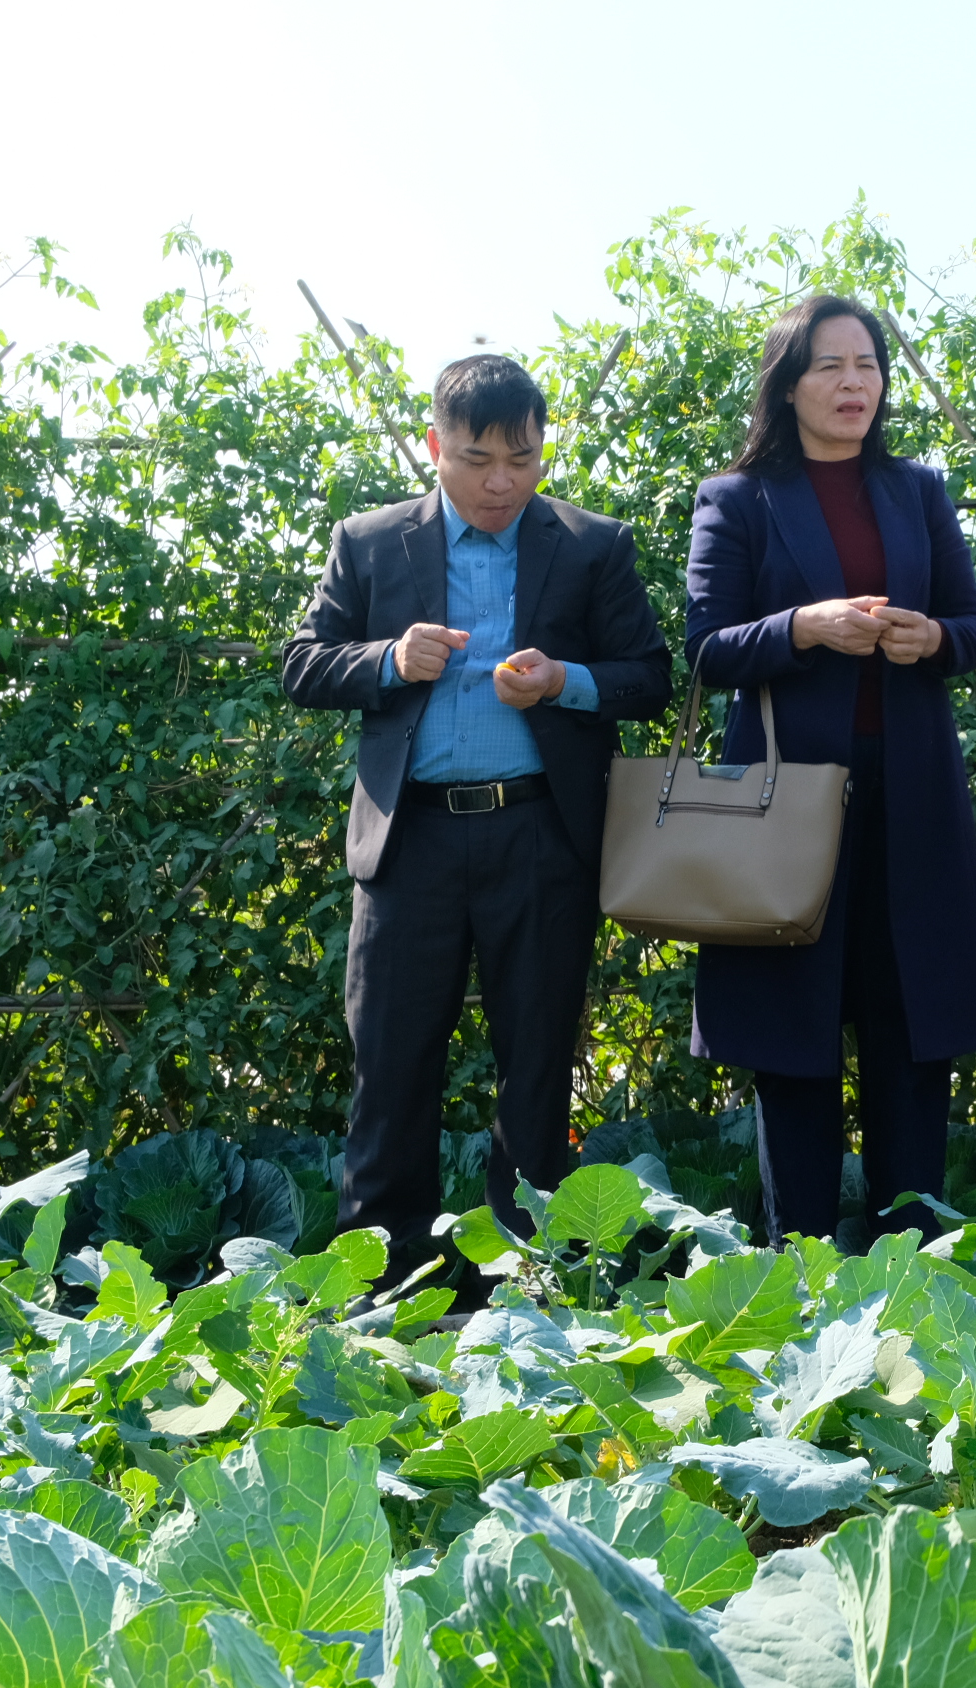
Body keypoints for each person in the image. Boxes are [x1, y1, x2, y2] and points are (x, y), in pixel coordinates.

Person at [281, 354, 674, 1290]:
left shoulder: (591, 545)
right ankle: (381, 1284)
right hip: (408, 840)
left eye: (525, 459)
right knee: (391, 1065)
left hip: (541, 836)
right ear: (435, 447)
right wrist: (386, 658)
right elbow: (301, 663)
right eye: (478, 459)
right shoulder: (373, 542)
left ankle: (530, 1282)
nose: (502, 482)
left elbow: (649, 675)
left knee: (537, 1067)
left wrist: (565, 682)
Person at [683, 295, 976, 1245]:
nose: (854, 383)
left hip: (912, 800)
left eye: (867, 365)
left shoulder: (917, 490)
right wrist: (802, 628)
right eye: (831, 366)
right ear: (788, 384)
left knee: (912, 1035)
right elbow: (706, 649)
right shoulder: (736, 499)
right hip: (786, 808)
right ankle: (804, 1263)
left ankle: (914, 1261)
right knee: (794, 1041)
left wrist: (933, 636)